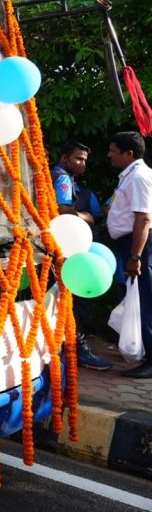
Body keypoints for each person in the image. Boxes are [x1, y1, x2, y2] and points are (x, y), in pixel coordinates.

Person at [52, 141, 111, 370]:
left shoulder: (54, 175)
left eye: (85, 160)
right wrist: (87, 217)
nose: (83, 164)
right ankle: (78, 350)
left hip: (55, 246)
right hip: (66, 248)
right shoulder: (63, 178)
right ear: (65, 158)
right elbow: (64, 210)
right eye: (78, 158)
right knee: (76, 301)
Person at [105, 131, 152, 378]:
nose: (109, 155)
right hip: (133, 244)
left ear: (129, 153)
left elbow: (143, 219)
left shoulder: (139, 177)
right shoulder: (131, 175)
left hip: (140, 245)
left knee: (146, 299)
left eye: (113, 151)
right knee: (140, 296)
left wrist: (135, 257)